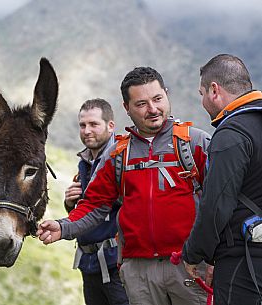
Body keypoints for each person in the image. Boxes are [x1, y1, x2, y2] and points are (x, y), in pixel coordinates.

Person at [37, 66, 211, 305]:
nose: (152, 109)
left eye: (157, 99)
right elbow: (94, 204)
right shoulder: (119, 154)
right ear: (126, 108)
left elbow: (221, 201)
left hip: (189, 266)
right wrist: (62, 226)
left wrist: (213, 258)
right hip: (138, 272)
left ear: (167, 95)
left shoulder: (195, 143)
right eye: (141, 104)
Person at [182, 54, 262, 305]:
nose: (203, 101)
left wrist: (194, 254)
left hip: (244, 263)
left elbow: (215, 206)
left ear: (214, 90)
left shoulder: (232, 134)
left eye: (202, 93)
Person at [64, 98, 128, 305]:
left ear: (110, 126)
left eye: (94, 124)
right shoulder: (84, 163)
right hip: (89, 264)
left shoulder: (121, 158)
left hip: (118, 264)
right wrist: (70, 203)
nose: (87, 131)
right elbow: (87, 211)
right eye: (82, 125)